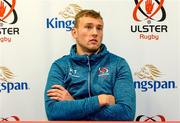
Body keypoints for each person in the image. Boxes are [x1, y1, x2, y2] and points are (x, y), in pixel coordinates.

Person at [44, 9, 136, 121]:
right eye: (88, 27)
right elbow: (53, 112)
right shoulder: (60, 66)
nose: (95, 33)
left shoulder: (118, 64)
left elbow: (126, 113)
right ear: (74, 33)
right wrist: (100, 100)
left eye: (99, 28)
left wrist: (73, 104)